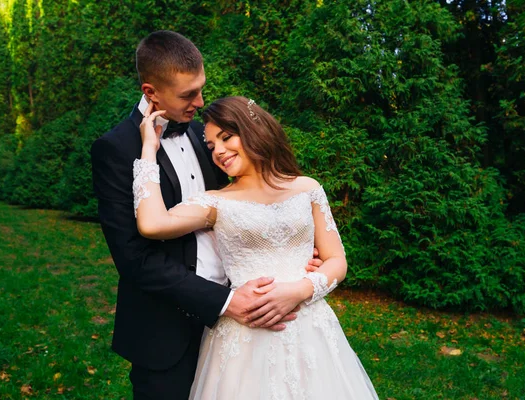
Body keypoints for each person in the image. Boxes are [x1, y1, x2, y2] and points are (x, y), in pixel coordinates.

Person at [91, 30, 320, 399]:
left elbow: (249, 199)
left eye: (201, 89)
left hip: (246, 329)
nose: (200, 101)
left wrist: (295, 247)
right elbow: (134, 258)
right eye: (188, 94)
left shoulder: (208, 136)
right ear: (151, 92)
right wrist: (226, 303)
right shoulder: (114, 149)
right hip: (166, 333)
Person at [134, 96, 380, 399]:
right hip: (243, 340)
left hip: (311, 331)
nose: (219, 151)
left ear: (253, 129)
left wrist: (300, 290)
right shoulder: (216, 202)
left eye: (226, 138)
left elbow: (336, 260)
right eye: (211, 146)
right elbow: (152, 224)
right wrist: (149, 149)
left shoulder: (308, 188)